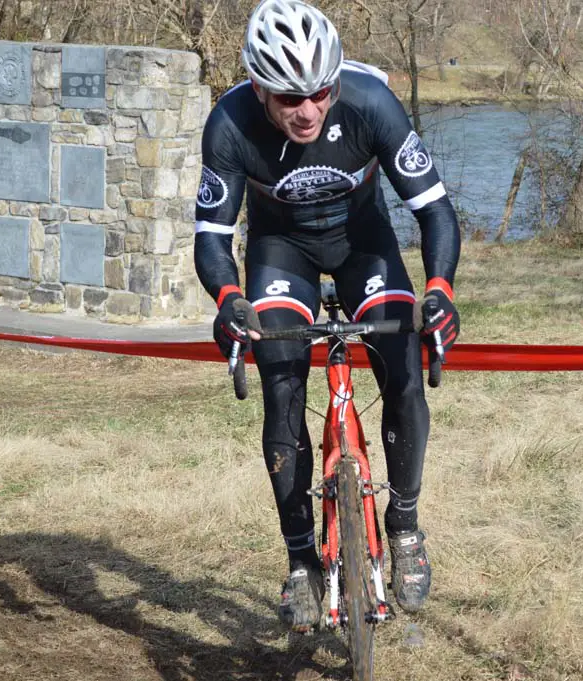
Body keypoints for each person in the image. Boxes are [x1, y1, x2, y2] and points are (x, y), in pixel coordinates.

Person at [193, 0, 461, 631]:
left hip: (363, 243)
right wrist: (229, 301)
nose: (307, 110)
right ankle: (298, 561)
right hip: (279, 250)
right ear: (258, 87)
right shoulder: (229, 123)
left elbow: (435, 210)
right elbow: (212, 236)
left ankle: (405, 527)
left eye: (318, 92)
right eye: (288, 98)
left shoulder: (370, 103)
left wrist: (441, 288)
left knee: (402, 371)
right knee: (281, 386)